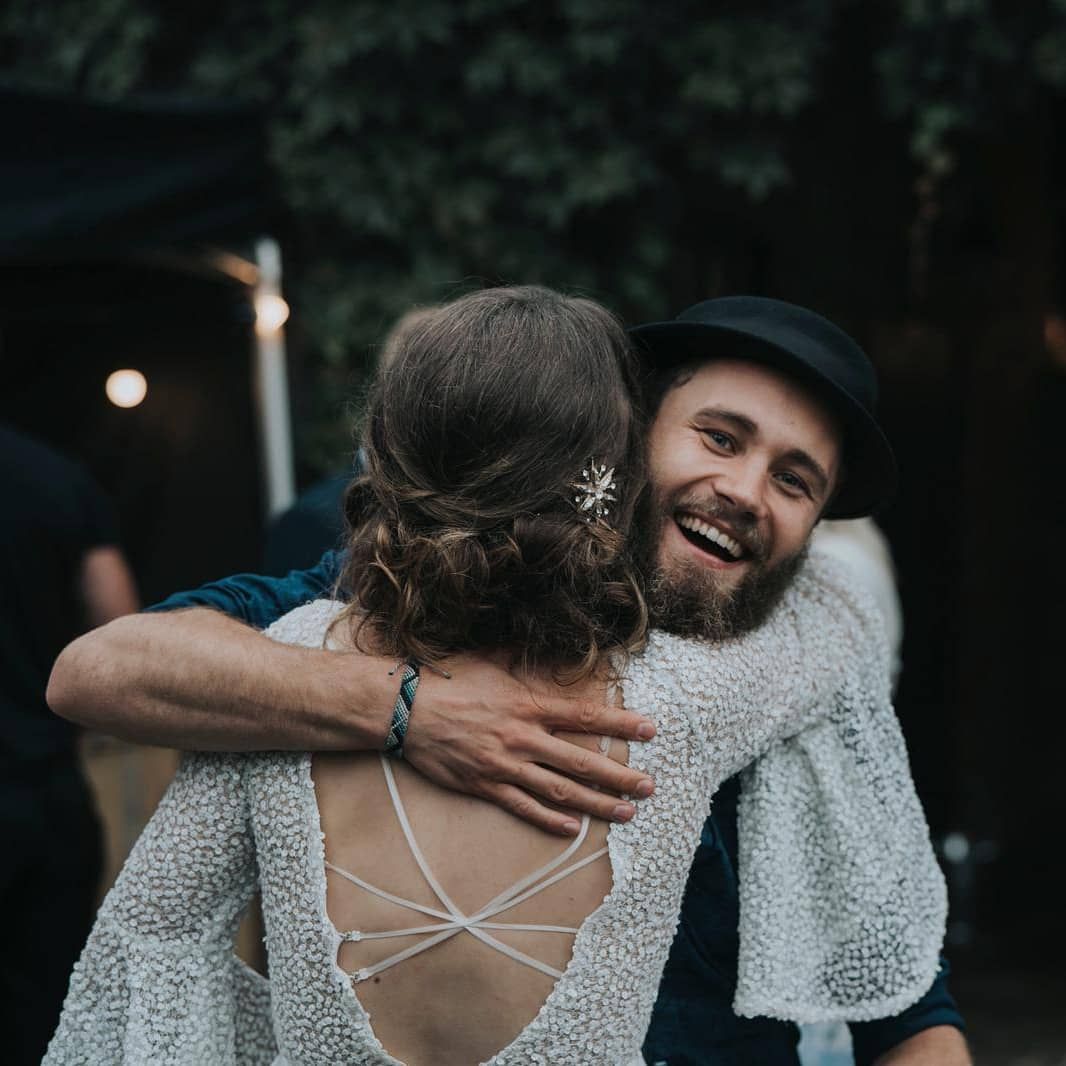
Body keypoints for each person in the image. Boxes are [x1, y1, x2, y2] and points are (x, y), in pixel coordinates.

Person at [47, 294, 967, 1064]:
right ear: (623, 444)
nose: (747, 490)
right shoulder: (390, 610)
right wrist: (409, 708)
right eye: (720, 438)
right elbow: (101, 670)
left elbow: (912, 1019)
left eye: (795, 481)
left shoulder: (796, 675)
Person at [0, 422, 140, 1066]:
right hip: (48, 787)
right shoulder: (53, 477)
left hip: (43, 786)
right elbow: (123, 632)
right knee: (58, 1015)